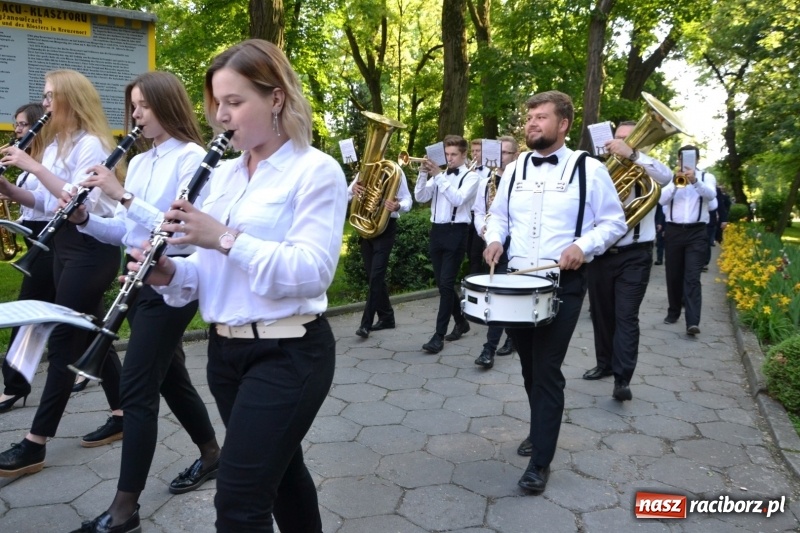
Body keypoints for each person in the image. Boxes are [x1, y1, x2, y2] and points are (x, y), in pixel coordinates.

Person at [127, 40, 347, 532]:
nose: (221, 116)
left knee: (239, 501)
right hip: (226, 354)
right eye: (217, 104)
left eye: (235, 102)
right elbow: (209, 274)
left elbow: (311, 270)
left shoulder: (315, 170)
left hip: (288, 352)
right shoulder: (223, 175)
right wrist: (168, 274)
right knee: (284, 476)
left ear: (275, 99)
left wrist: (224, 237)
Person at [66, 72, 222, 533]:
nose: (134, 115)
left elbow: (179, 228)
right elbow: (126, 230)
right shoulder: (140, 161)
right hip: (137, 283)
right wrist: (82, 218)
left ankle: (124, 510)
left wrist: (123, 195)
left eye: (143, 106)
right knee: (172, 379)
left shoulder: (195, 158)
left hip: (173, 287)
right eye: (132, 106)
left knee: (136, 391)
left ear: (167, 105)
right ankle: (212, 454)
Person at [484, 91, 626, 493]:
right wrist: (495, 239)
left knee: (546, 370)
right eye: (529, 117)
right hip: (516, 285)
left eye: (541, 117)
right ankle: (538, 428)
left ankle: (540, 463)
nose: (531, 123)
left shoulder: (589, 168)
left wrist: (583, 246)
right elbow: (498, 215)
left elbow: (614, 222)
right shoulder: (513, 171)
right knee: (529, 368)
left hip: (562, 287)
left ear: (563, 124)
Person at [0, 70, 125, 477]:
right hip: (64, 247)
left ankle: (35, 443)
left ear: (71, 99)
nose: (46, 103)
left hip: (93, 248)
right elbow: (40, 201)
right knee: (88, 329)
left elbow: (73, 198)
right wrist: (8, 187)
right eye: (44, 96)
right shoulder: (56, 144)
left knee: (63, 338)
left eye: (51, 96)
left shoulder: (92, 144)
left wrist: (31, 166)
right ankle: (124, 412)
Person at [582, 120, 673, 401]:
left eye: (627, 139)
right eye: (618, 138)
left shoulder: (648, 168)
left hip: (635, 255)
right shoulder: (598, 169)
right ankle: (605, 363)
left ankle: (622, 378)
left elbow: (667, 178)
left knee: (626, 317)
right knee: (601, 314)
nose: (619, 143)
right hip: (600, 255)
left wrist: (633, 156)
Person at [0, 103, 55, 413]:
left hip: (52, 240)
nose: (17, 130)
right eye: (16, 124)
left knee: (25, 311)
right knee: (76, 319)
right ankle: (115, 397)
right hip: (35, 236)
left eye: (22, 124)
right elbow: (33, 204)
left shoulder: (49, 161)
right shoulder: (30, 161)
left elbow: (54, 202)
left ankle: (14, 385)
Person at [415, 135, 480, 353]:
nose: (449, 159)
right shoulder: (439, 176)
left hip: (457, 232)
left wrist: (438, 176)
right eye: (447, 154)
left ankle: (438, 336)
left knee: (445, 285)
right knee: (443, 284)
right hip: (437, 231)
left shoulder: (472, 178)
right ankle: (461, 322)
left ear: (463, 155)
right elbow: (421, 197)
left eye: (453, 155)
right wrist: (424, 174)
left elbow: (458, 199)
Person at [471, 135, 519, 369]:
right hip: (495, 242)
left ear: (516, 155)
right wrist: (485, 231)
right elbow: (479, 212)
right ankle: (490, 347)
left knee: (510, 293)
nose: (500, 158)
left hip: (518, 245)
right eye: (498, 153)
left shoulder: (523, 179)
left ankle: (507, 339)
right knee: (497, 292)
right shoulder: (486, 181)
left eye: (506, 153)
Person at [659, 145, 717, 335]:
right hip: (674, 231)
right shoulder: (672, 178)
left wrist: (695, 182)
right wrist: (676, 184)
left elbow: (711, 195)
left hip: (697, 232)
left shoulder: (706, 177)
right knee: (673, 275)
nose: (685, 163)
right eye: (682, 159)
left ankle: (692, 322)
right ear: (678, 160)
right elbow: (661, 200)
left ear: (697, 160)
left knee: (692, 277)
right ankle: (673, 311)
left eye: (690, 159)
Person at [350, 167, 412, 339]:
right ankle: (387, 317)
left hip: (385, 227)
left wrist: (398, 205)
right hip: (366, 226)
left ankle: (365, 324)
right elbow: (347, 194)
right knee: (373, 276)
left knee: (376, 276)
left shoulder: (395, 172)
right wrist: (353, 190)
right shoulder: (364, 171)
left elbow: (408, 200)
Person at [466, 138, 490, 275]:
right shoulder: (467, 170)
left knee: (476, 253)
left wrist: (474, 176)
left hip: (480, 215)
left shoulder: (488, 171)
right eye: (473, 151)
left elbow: (487, 189)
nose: (475, 154)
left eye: (478, 151)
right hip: (467, 214)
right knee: (468, 252)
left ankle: (476, 279)